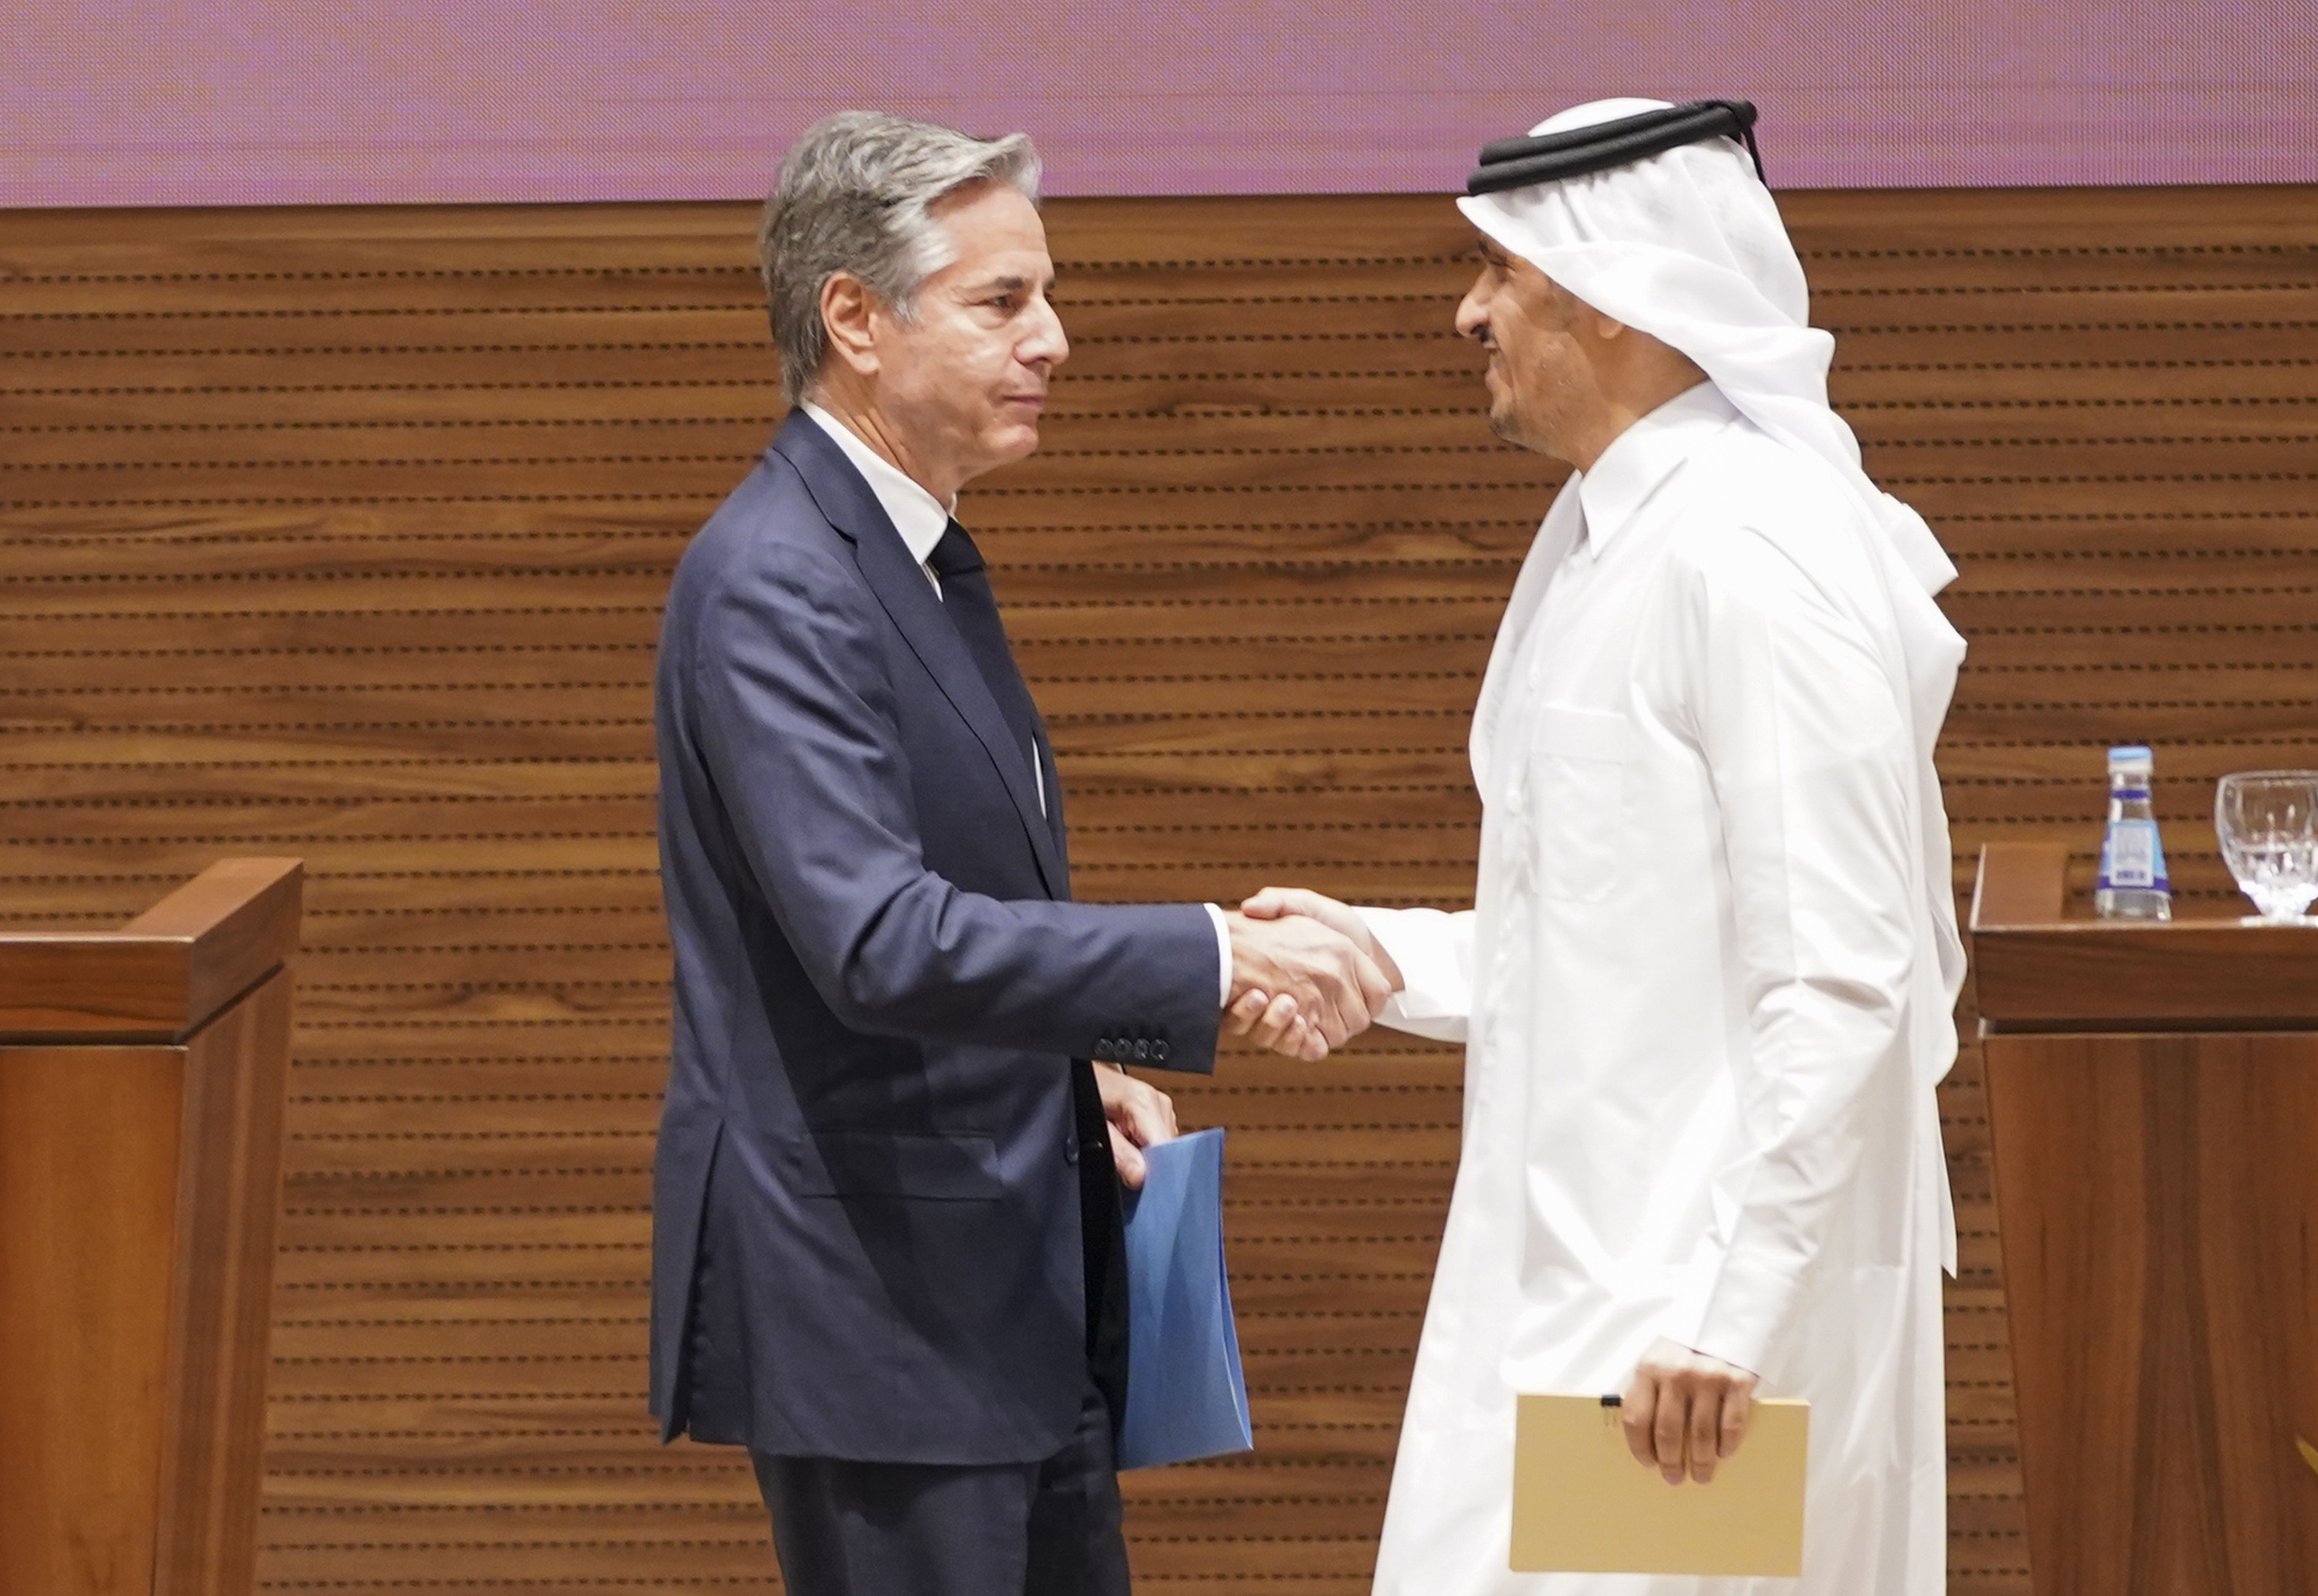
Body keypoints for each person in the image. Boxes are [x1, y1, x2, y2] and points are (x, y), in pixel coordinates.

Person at [650, 111, 1392, 1596]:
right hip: (882, 1311)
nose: (1052, 340)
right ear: (852, 317)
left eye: (1046, 297)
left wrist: (1081, 1066)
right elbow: (876, 938)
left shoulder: (909, 550)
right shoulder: (778, 581)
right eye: (1002, 303)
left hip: (997, 1279)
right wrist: (1210, 950)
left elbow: (958, 904)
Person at [1238, 99, 1969, 1593]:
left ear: (1617, 293)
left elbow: (1841, 975)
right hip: (1582, 1292)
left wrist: (1729, 1314)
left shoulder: (1751, 549)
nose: (1467, 312)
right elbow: (1597, 919)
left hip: (1683, 1343)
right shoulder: (1609, 534)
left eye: (1498, 271)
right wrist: (1378, 953)